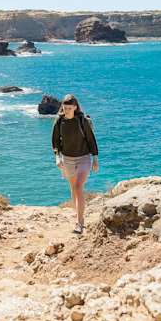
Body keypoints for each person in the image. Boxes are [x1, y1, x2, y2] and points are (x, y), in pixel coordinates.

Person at [51, 94, 99, 234]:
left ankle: (80, 222)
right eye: (65, 108)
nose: (66, 111)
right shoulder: (59, 121)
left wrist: (95, 159)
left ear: (75, 107)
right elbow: (55, 141)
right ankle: (78, 214)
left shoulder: (82, 121)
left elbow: (91, 140)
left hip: (83, 158)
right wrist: (57, 157)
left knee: (78, 187)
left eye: (69, 108)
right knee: (73, 188)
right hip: (67, 159)